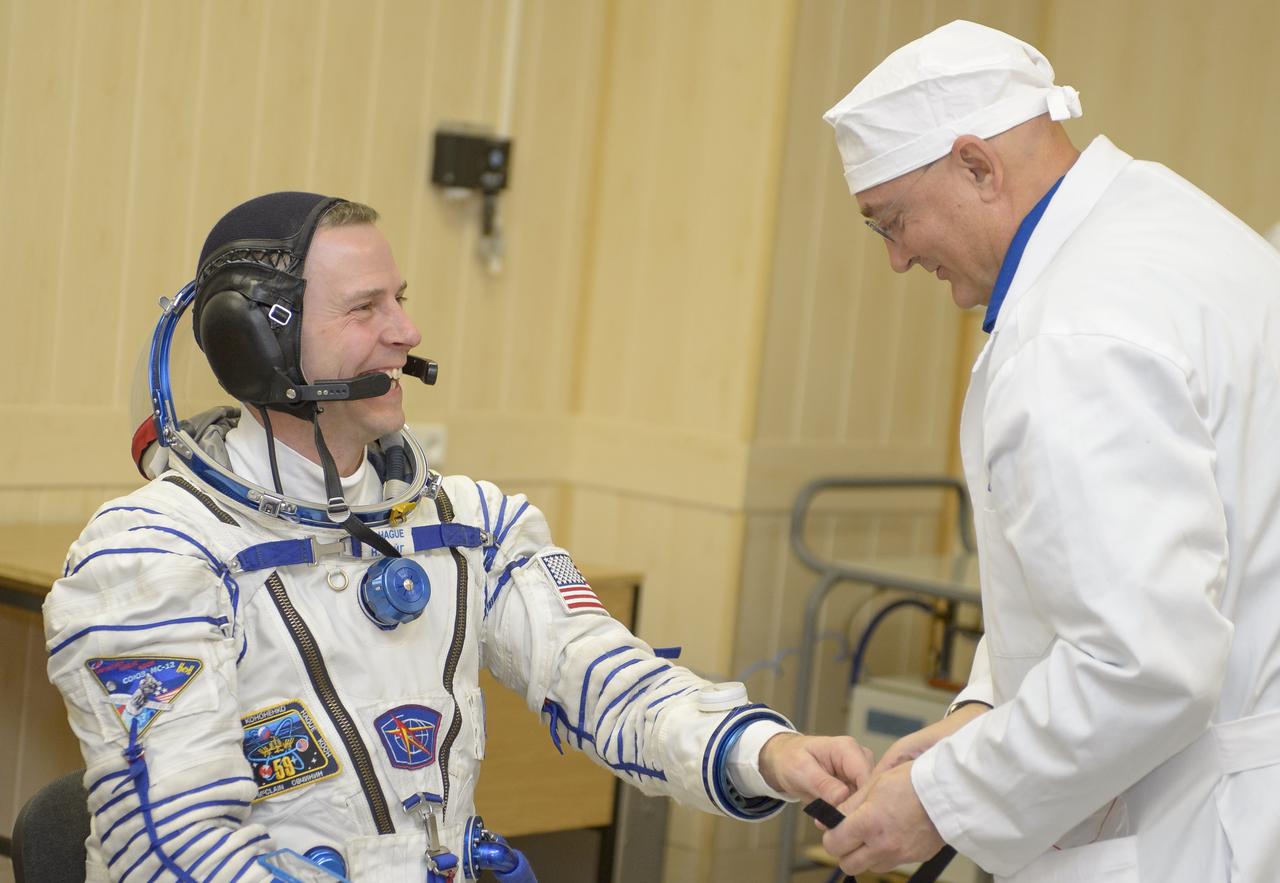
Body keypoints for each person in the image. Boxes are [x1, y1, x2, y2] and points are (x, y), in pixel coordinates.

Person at [43, 192, 869, 881]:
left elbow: (609, 682)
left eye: (400, 298)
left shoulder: (472, 525)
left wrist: (765, 751)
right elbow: (173, 848)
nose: (407, 331)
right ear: (257, 341)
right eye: (367, 308)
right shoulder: (150, 557)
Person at [818, 19, 1280, 883]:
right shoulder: (1178, 227)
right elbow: (1103, 567)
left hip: (1194, 830)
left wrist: (938, 801)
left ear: (977, 166)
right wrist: (985, 707)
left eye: (893, 221)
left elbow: (1145, 665)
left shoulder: (1075, 333)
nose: (896, 258)